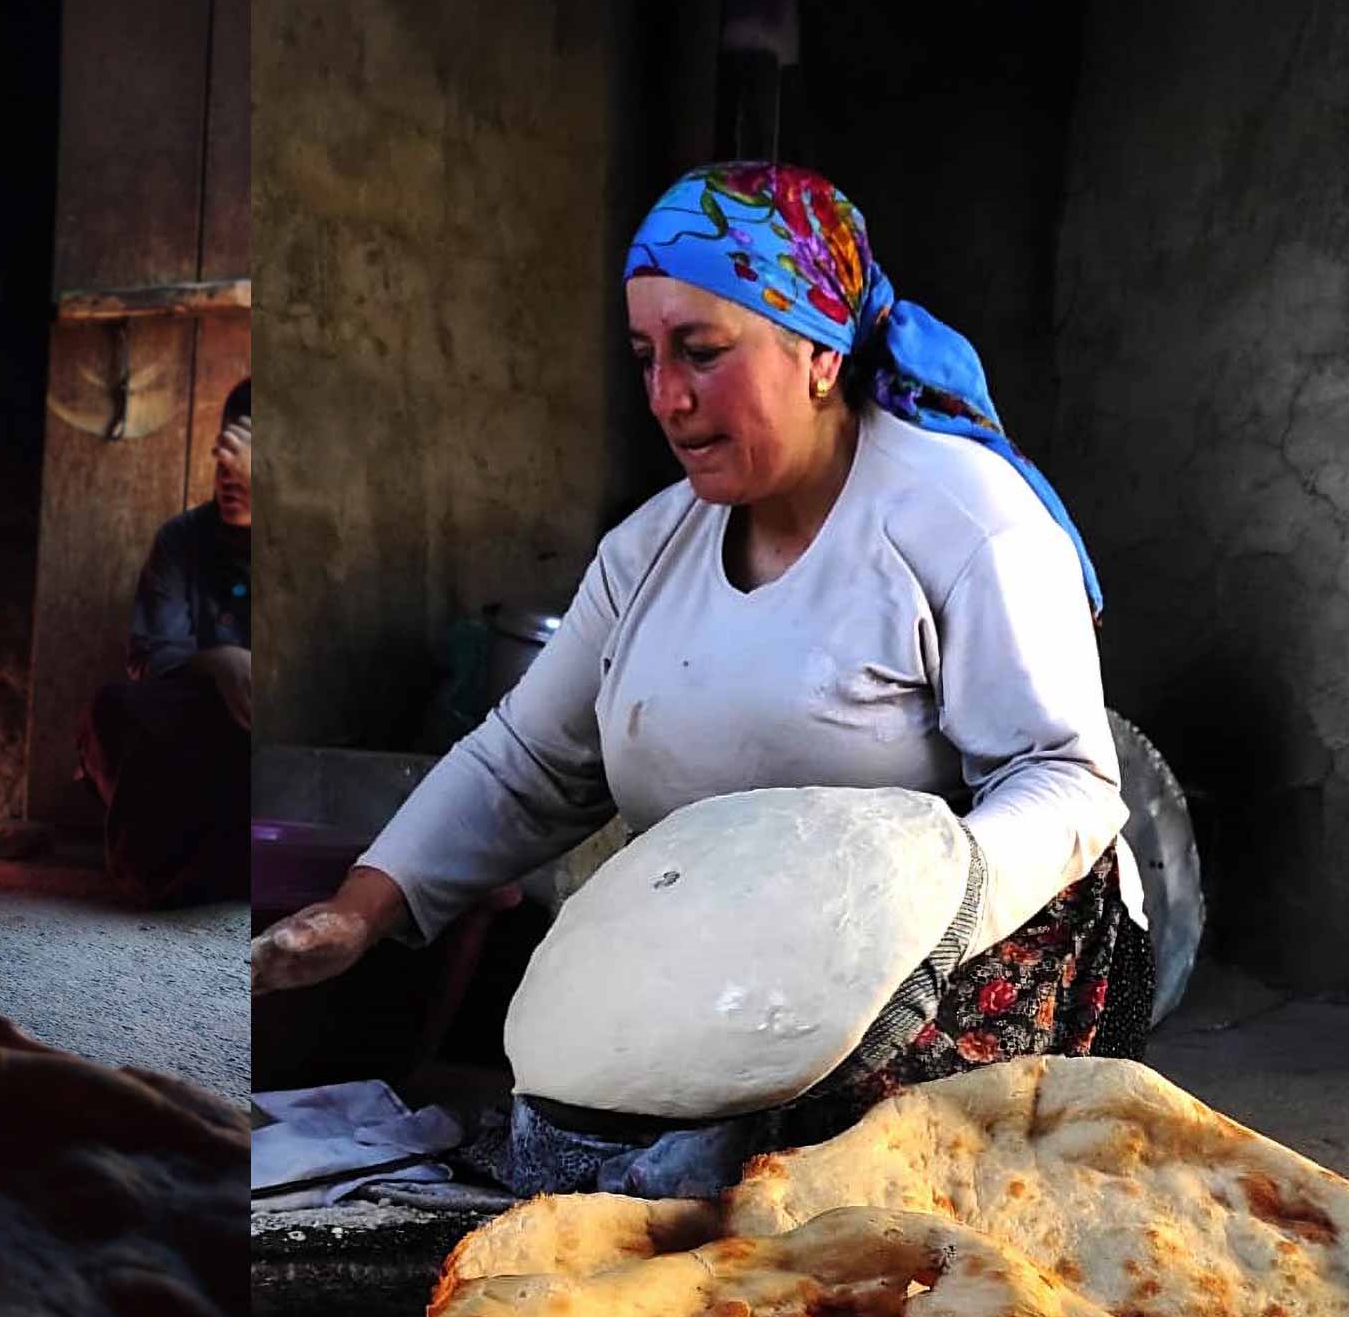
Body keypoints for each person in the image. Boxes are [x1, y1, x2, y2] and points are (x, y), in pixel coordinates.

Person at [251, 163, 1152, 1196]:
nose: (666, 399)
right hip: (734, 951)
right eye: (644, 358)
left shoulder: (959, 521)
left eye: (701, 352)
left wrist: (914, 921)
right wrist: (359, 908)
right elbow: (527, 757)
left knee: (793, 1177)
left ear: (817, 352)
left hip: (971, 949)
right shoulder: (649, 550)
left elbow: (1066, 782)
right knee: (569, 1125)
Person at [76, 378, 252, 904]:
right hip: (200, 733)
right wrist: (220, 663)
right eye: (226, 450)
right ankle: (165, 870)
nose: (230, 473)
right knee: (115, 708)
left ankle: (217, 869)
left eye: (247, 456)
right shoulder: (184, 537)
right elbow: (152, 656)